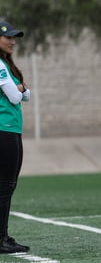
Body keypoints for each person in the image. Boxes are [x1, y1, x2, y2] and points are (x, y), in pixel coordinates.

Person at [0, 21, 30, 253]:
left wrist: (20, 89)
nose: (12, 41)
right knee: (5, 185)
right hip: (4, 129)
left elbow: (25, 94)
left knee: (7, 186)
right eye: (7, 37)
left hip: (11, 129)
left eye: (14, 37)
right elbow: (15, 96)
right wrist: (19, 88)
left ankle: (3, 237)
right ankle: (1, 239)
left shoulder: (6, 65)